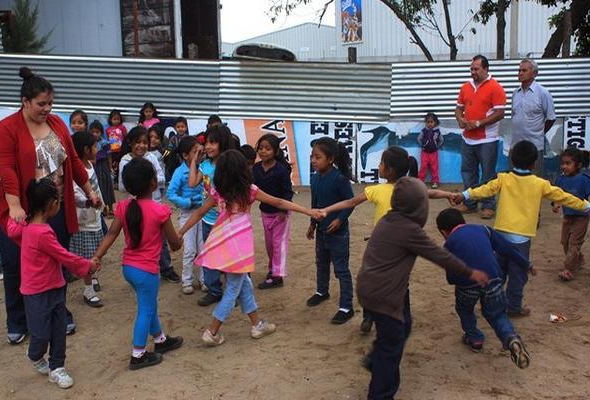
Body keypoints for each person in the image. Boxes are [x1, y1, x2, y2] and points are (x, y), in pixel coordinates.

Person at [0, 67, 101, 344]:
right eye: (41, 104)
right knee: (17, 266)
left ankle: (57, 314)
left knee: (56, 266)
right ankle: (18, 320)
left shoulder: (57, 124)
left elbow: (72, 161)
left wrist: (89, 190)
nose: (47, 108)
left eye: (50, 103)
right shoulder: (6, 129)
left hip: (55, 210)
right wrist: (15, 206)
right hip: (19, 214)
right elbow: (7, 170)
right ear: (25, 102)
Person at [358, 177, 489, 400]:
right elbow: (439, 255)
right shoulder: (409, 230)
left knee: (403, 325)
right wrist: (469, 272)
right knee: (391, 351)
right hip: (385, 297)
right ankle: (380, 393)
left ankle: (374, 359)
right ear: (419, 207)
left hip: (368, 289)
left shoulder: (388, 219)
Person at [179, 149, 320, 345]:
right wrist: (308, 211)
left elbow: (199, 212)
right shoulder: (250, 190)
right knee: (233, 289)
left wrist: (180, 232)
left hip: (221, 242)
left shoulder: (218, 192)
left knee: (243, 283)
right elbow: (278, 201)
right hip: (239, 246)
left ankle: (257, 325)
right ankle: (212, 331)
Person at [319, 146, 454, 332]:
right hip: (401, 248)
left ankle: (369, 317)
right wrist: (449, 195)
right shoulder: (413, 188)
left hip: (380, 247)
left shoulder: (377, 190)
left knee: (371, 282)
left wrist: (327, 209)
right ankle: (401, 317)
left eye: (381, 163)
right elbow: (432, 193)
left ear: (389, 170)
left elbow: (350, 202)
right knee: (401, 283)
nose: (379, 165)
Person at [451, 140, 590, 317]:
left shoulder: (503, 178)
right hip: (521, 241)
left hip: (500, 238)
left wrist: (464, 195)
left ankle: (489, 301)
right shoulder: (540, 183)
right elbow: (564, 197)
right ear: (534, 163)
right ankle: (513, 307)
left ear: (512, 161)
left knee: (498, 272)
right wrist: (586, 206)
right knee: (518, 276)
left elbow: (484, 190)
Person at [7, 178, 99, 388]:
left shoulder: (30, 227)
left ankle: (56, 367)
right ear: (51, 204)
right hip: (37, 292)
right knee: (40, 333)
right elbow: (64, 256)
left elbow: (12, 230)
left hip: (54, 287)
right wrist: (87, 266)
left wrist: (16, 218)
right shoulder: (41, 232)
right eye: (58, 201)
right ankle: (36, 355)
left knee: (58, 330)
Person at [94, 158, 183, 370]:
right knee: (146, 309)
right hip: (147, 272)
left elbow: (112, 234)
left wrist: (97, 256)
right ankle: (138, 354)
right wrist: (179, 240)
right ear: (153, 183)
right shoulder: (160, 211)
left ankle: (160, 340)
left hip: (129, 269)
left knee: (148, 305)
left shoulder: (124, 207)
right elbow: (174, 243)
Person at [436, 208, 531, 368]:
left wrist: (454, 281)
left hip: (467, 285)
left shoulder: (449, 244)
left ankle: (475, 339)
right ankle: (510, 338)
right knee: (497, 315)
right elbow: (507, 248)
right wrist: (526, 263)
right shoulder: (484, 230)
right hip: (493, 279)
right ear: (463, 221)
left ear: (444, 231)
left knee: (465, 310)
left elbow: (451, 276)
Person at [119, 126, 181, 283]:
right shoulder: (125, 161)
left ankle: (166, 268)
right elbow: (122, 185)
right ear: (130, 143)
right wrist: (147, 179)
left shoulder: (151, 157)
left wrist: (144, 180)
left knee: (161, 240)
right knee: (139, 238)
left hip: (154, 203)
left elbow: (161, 178)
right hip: (136, 208)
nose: (141, 146)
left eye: (145, 142)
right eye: (137, 142)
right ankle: (143, 267)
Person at [306, 137, 355, 324]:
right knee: (321, 262)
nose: (313, 160)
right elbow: (315, 204)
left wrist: (339, 220)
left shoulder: (340, 179)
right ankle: (322, 291)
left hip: (338, 233)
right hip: (321, 231)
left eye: (317, 157)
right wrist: (312, 224)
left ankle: (346, 307)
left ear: (331, 159)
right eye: (312, 157)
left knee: (341, 269)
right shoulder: (315, 179)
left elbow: (350, 203)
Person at [189, 124, 238, 306]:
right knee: (209, 255)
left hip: (227, 221)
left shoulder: (229, 166)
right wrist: (195, 160)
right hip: (208, 220)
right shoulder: (205, 165)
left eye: (213, 142)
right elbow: (193, 182)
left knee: (232, 256)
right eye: (207, 142)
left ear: (223, 143)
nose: (208, 146)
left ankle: (237, 291)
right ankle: (215, 290)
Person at [455, 55, 506, 219]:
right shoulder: (465, 87)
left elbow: (500, 113)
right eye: (471, 69)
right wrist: (460, 119)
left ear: (486, 69)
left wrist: (479, 123)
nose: (473, 72)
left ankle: (488, 205)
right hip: (467, 139)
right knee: (468, 172)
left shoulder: (496, 87)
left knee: (488, 174)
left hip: (488, 140)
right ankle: (470, 203)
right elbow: (458, 108)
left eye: (476, 69)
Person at [252, 134, 293, 289]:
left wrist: (283, 211)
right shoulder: (255, 168)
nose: (263, 151)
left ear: (275, 151)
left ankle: (277, 277)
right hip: (265, 212)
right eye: (261, 148)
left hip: (281, 214)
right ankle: (272, 269)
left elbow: (287, 192)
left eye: (267, 149)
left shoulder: (281, 170)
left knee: (278, 244)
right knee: (269, 245)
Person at [166, 136, 206, 295]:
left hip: (203, 213)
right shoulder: (180, 172)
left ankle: (204, 280)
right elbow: (171, 194)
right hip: (187, 213)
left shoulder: (203, 168)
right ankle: (187, 280)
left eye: (199, 151)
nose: (199, 154)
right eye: (195, 152)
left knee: (203, 248)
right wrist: (188, 202)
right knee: (189, 249)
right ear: (185, 155)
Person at [70, 131, 105, 307]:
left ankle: (93, 278)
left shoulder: (91, 166)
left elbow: (96, 189)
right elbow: (76, 194)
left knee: (95, 253)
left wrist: (102, 205)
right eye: (94, 146)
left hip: (95, 218)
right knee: (86, 258)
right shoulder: (76, 172)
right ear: (85, 149)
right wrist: (88, 203)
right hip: (84, 221)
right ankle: (88, 290)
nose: (97, 149)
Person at [511, 58, 556, 176]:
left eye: (524, 70)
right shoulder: (515, 93)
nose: (520, 73)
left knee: (533, 180)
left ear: (534, 73)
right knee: (515, 180)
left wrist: (539, 132)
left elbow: (551, 118)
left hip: (534, 146)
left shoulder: (543, 93)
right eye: (519, 70)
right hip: (516, 145)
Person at [552, 148, 590, 281]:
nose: (564, 166)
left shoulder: (584, 179)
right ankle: (578, 259)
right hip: (567, 217)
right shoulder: (561, 179)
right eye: (563, 163)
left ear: (578, 165)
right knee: (565, 243)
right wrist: (556, 204)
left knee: (574, 243)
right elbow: (557, 195)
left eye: (568, 163)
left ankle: (568, 269)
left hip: (582, 217)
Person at [89, 120, 115, 218]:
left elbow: (109, 156)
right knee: (98, 188)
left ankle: (111, 209)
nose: (95, 134)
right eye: (92, 132)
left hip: (103, 167)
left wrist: (110, 167)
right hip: (94, 167)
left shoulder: (105, 143)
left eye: (97, 132)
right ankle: (104, 209)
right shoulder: (90, 143)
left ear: (101, 133)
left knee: (108, 187)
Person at [417, 112, 443, 189]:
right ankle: (420, 181)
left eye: (431, 122)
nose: (430, 124)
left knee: (434, 167)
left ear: (435, 122)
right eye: (428, 122)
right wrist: (422, 145)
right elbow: (419, 139)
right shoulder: (424, 131)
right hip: (424, 152)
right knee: (423, 167)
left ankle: (435, 182)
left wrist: (437, 147)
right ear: (426, 123)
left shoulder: (437, 132)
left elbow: (441, 140)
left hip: (434, 153)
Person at [106, 109, 127, 185]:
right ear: (111, 120)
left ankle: (119, 181)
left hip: (121, 151)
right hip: (112, 151)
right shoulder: (108, 129)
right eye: (114, 119)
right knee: (113, 166)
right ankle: (114, 181)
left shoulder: (122, 127)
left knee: (120, 165)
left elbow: (125, 137)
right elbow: (107, 140)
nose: (116, 121)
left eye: (118, 119)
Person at [166, 116, 189, 181]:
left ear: (186, 128)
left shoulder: (188, 138)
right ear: (175, 128)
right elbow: (169, 148)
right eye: (178, 127)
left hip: (186, 160)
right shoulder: (173, 138)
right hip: (175, 161)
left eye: (182, 127)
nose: (180, 129)